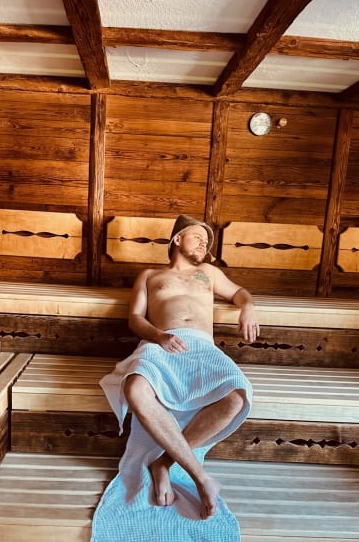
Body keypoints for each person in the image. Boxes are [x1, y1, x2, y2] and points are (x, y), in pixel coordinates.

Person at [100, 214, 259, 521]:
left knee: (237, 397)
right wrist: (159, 336)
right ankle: (201, 478)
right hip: (161, 343)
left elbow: (239, 292)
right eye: (198, 237)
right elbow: (135, 318)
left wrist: (248, 307)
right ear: (176, 239)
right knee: (135, 388)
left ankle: (163, 464)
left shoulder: (207, 273)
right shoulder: (150, 276)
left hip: (202, 347)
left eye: (207, 241)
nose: (204, 244)